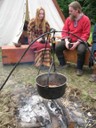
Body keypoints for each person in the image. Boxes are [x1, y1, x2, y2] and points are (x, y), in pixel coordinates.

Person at [55, 1, 91, 76]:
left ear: (77, 10)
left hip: (80, 41)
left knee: (81, 50)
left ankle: (79, 68)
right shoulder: (69, 19)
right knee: (58, 47)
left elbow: (86, 34)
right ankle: (63, 64)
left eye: (71, 11)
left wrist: (76, 43)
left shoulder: (85, 19)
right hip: (69, 40)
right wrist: (66, 41)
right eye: (69, 11)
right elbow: (65, 31)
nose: (69, 12)